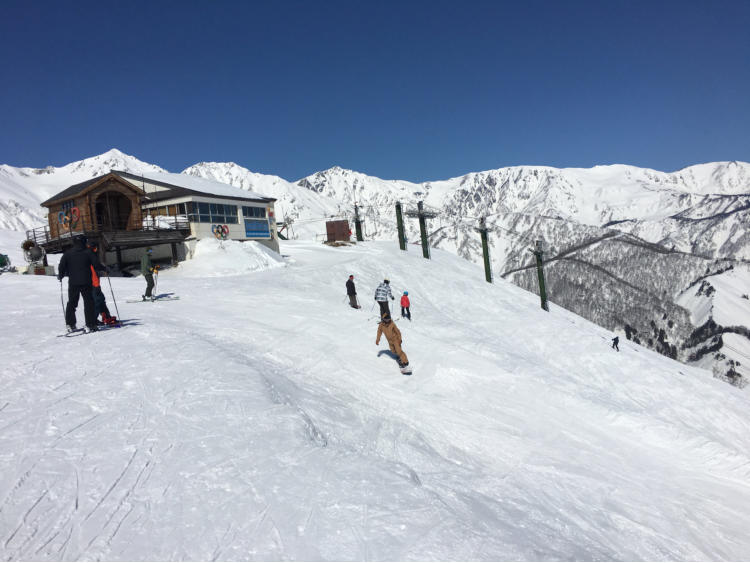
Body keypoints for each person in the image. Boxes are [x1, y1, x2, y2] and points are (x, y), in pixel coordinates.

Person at [57, 235, 106, 332]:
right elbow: (96, 265)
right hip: (86, 282)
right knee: (89, 303)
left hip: (73, 282)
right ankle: (90, 324)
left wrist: (61, 275)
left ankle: (70, 324)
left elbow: (62, 265)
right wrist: (104, 268)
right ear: (84, 242)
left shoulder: (68, 253)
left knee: (72, 302)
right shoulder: (88, 252)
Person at [86, 243, 117, 326]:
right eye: (96, 248)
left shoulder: (86, 255)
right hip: (93, 283)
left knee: (101, 299)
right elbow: (95, 267)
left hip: (91, 283)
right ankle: (93, 320)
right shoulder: (91, 255)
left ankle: (106, 316)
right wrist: (104, 269)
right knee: (97, 301)